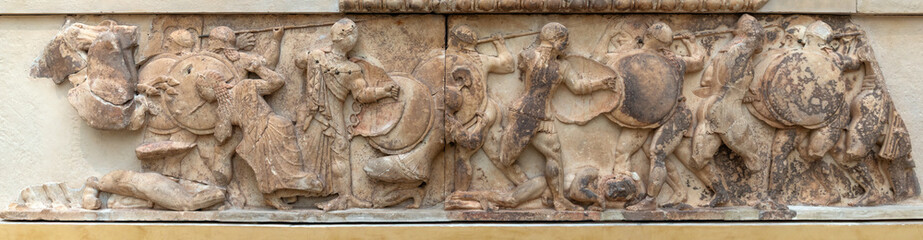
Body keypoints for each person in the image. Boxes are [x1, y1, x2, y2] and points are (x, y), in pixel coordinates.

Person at [295, 18, 399, 211]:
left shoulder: (352, 69)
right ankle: (308, 190)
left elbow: (361, 95)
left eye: (354, 35)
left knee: (340, 153)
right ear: (336, 37)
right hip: (311, 116)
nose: (351, 38)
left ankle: (345, 197)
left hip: (332, 117)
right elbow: (299, 61)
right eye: (348, 34)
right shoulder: (318, 56)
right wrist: (314, 56)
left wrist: (383, 91)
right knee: (306, 153)